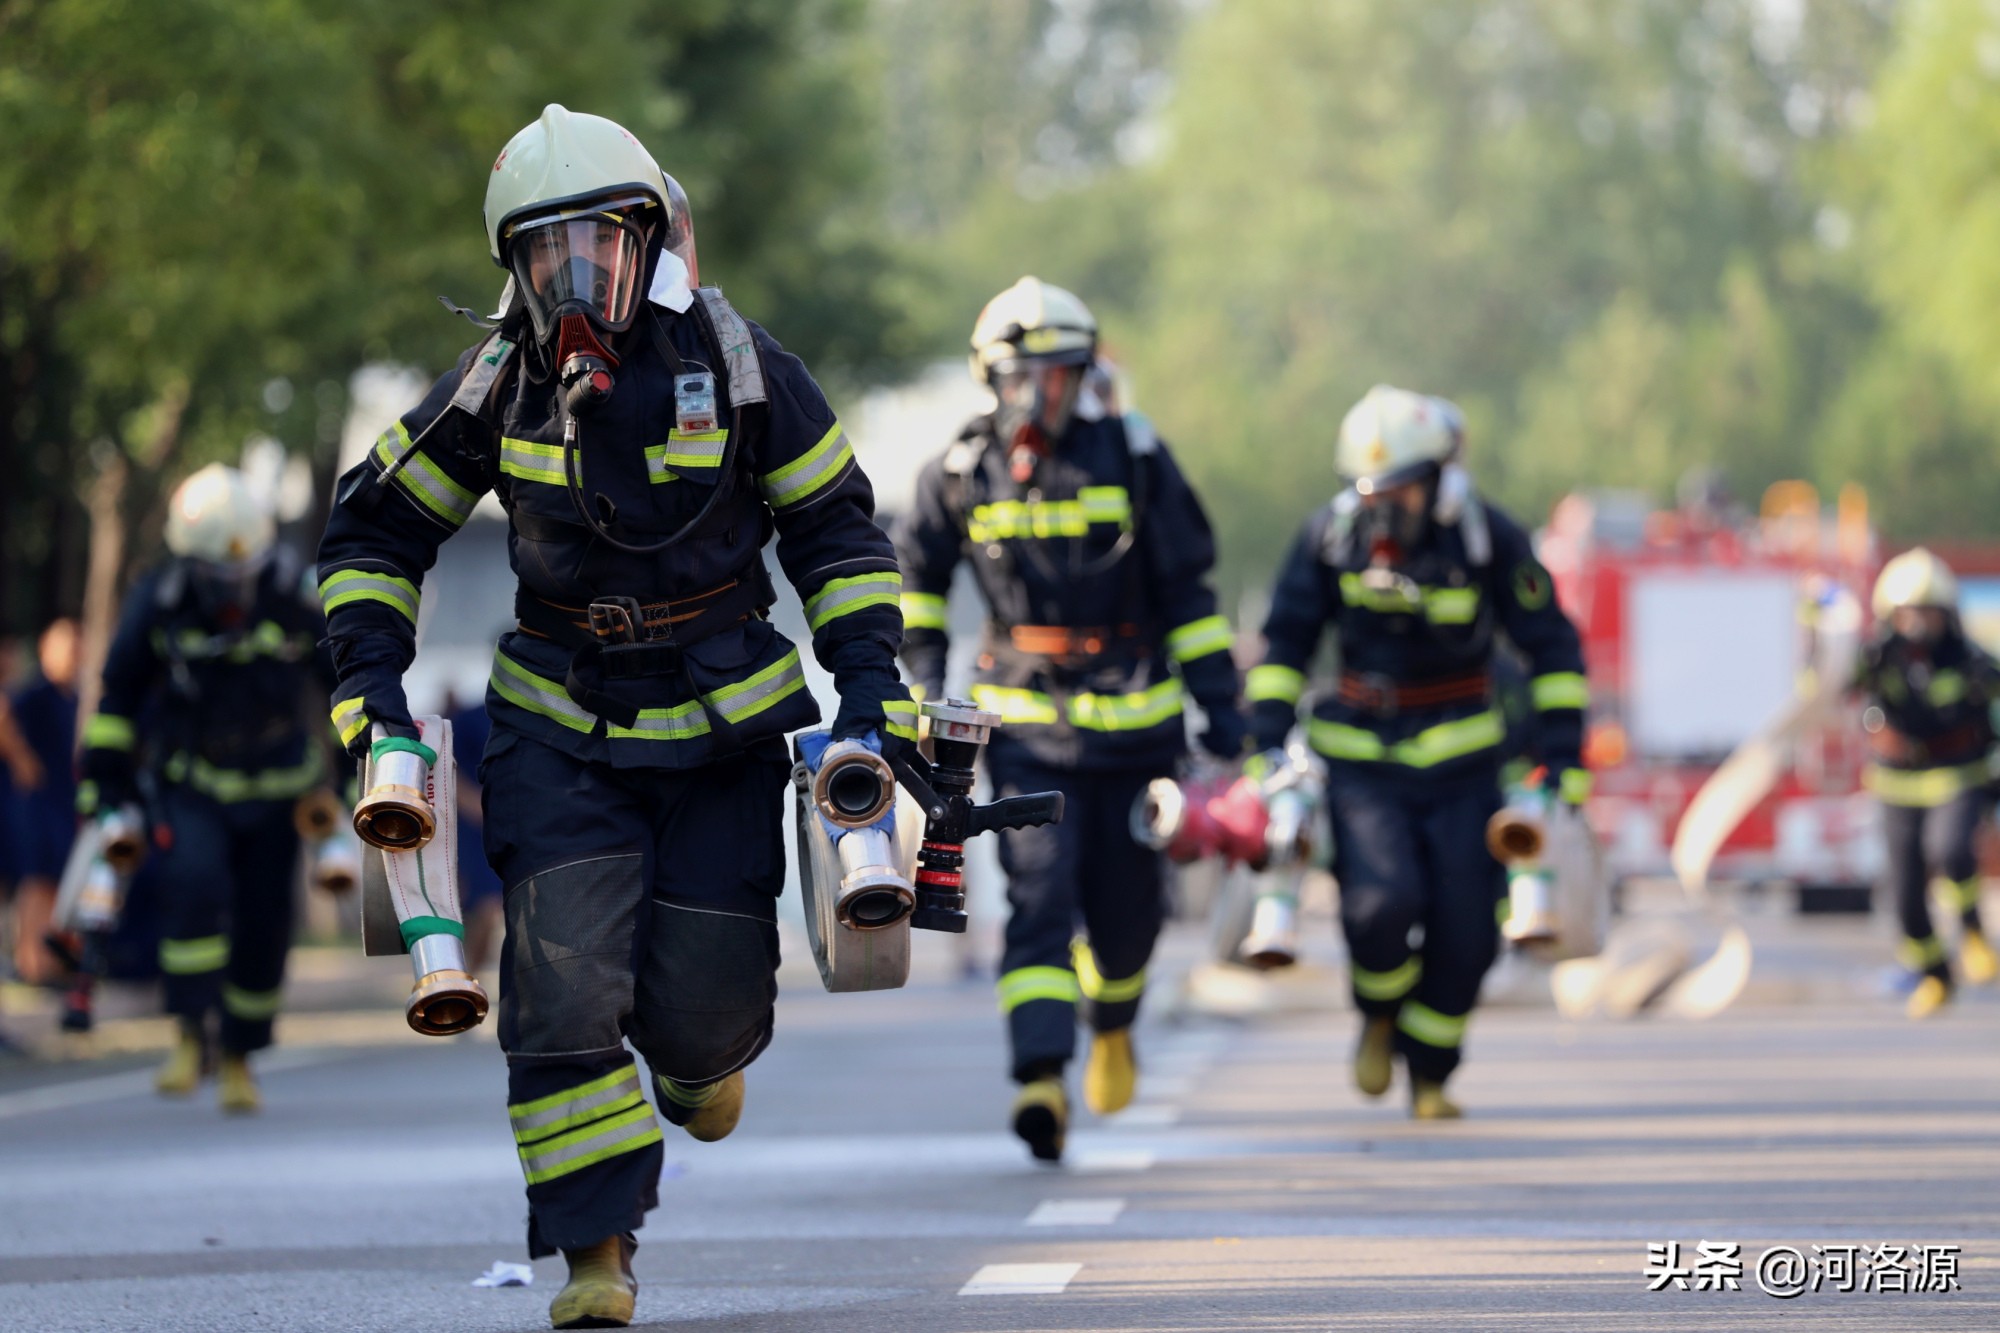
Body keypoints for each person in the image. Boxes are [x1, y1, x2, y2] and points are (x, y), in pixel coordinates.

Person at [316, 105, 913, 1329]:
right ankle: (596, 1251)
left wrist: (869, 683)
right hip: (558, 722)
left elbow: (838, 534)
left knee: (702, 1012)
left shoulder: (744, 368)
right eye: (543, 253)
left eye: (595, 243)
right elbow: (375, 531)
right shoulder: (497, 383)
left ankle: (698, 1065)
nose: (572, 276)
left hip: (721, 726)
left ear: (650, 240)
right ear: (513, 268)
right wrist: (367, 693)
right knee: (555, 986)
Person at [894, 277, 1244, 1163]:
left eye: (1061, 374)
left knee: (1128, 914)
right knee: (1040, 899)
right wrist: (925, 681)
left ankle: (1115, 1018)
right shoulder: (960, 471)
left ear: (1084, 375)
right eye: (1025, 376)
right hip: (1022, 728)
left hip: (1137, 729)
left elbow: (1191, 597)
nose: (1042, 393)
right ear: (992, 378)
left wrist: (1225, 711)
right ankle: (1041, 1077)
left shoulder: (1134, 458)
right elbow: (915, 583)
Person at [1244, 385, 1587, 1119]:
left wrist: (1562, 761)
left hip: (1466, 763)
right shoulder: (1330, 539)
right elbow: (1285, 645)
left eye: (1399, 490)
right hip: (1361, 761)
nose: (1385, 507)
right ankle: (1377, 1014)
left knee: (1468, 930)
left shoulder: (1488, 538)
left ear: (1436, 478)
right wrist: (1265, 743)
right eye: (1371, 491)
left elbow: (1553, 647)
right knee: (1380, 905)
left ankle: (1431, 1073)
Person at [77, 465, 334, 1111]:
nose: (232, 589)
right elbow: (119, 696)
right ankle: (192, 1035)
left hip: (279, 787)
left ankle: (242, 1056)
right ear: (191, 560)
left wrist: (360, 766)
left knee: (262, 919)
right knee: (191, 890)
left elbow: (344, 681)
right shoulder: (159, 598)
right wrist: (104, 786)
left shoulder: (294, 595)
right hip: (193, 781)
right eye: (219, 575)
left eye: (241, 575)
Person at [1855, 548, 1998, 1018]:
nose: (1917, 623)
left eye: (1927, 612)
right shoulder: (1877, 660)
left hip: (1956, 774)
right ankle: (1936, 974)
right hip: (1896, 785)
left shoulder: (1971, 663)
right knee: (1905, 898)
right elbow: (1827, 684)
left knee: (1952, 850)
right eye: (1908, 612)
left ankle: (1972, 931)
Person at [8, 619, 81, 988]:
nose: (73, 654)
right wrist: (23, 760)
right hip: (35, 806)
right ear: (44, 649)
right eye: (65, 646)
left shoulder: (71, 696)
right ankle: (30, 963)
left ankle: (50, 962)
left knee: (55, 882)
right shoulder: (34, 694)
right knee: (35, 883)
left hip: (62, 803)